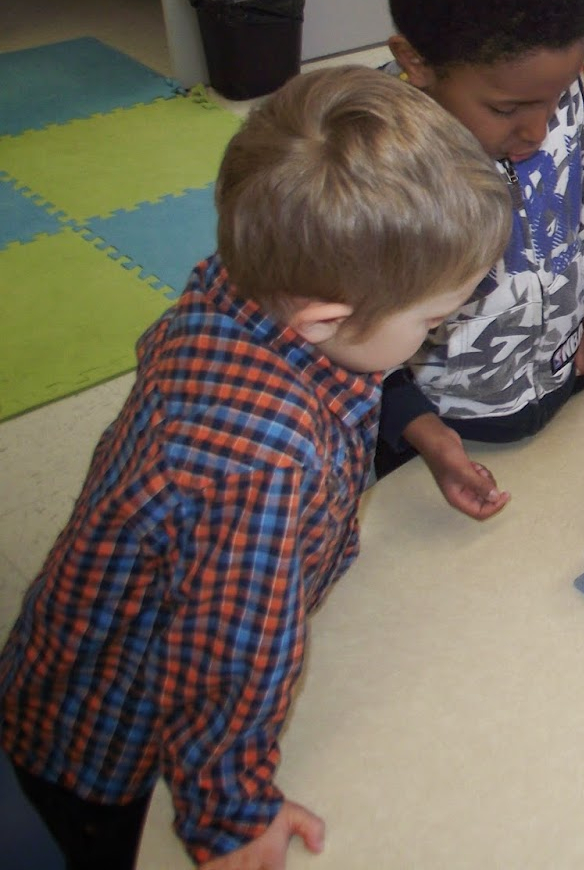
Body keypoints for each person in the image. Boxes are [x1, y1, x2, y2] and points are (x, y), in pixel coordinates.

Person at [0, 66, 509, 869]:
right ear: (326, 319)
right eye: (435, 320)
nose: (441, 334)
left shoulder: (251, 284)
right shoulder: (264, 463)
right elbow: (227, 662)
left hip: (70, 658)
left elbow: (350, 370)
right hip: (104, 745)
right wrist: (233, 819)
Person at [378, 0, 584, 520]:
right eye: (507, 111)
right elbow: (347, 334)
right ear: (416, 63)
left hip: (560, 378)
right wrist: (421, 430)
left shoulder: (540, 88)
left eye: (559, 95)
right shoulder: (376, 167)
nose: (539, 131)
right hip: (444, 430)